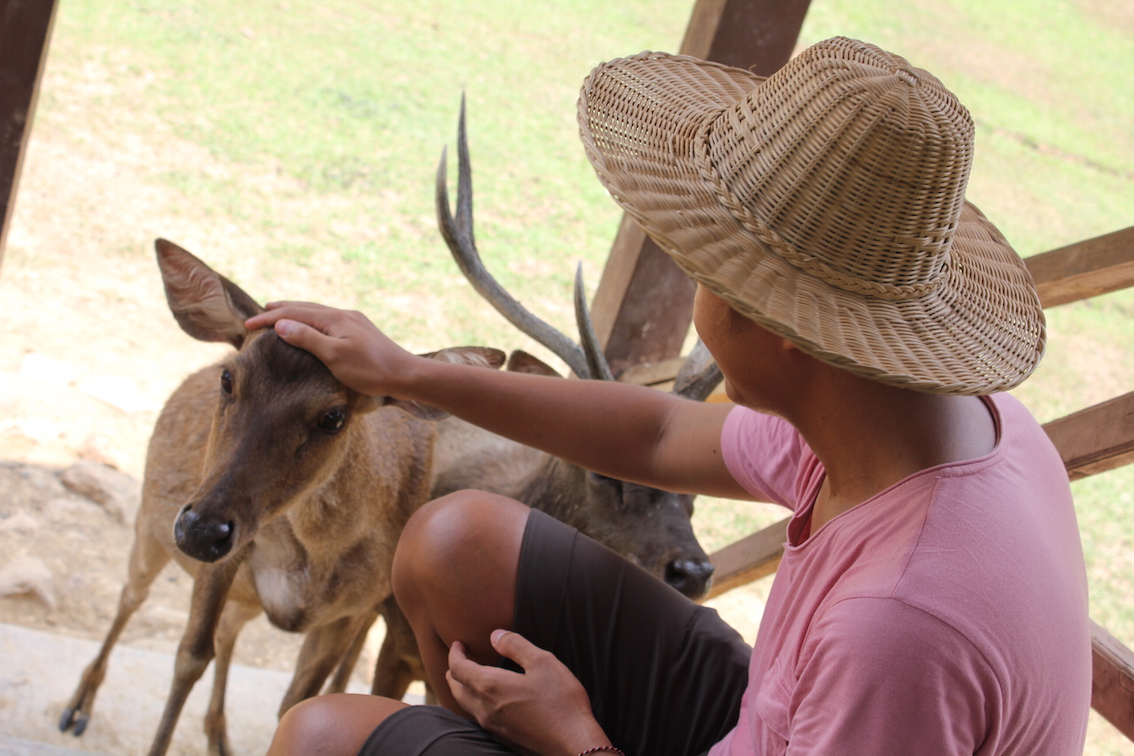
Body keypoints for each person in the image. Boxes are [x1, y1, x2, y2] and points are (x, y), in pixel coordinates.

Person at [249, 37, 1091, 756]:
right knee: (454, 537)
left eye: (706, 266)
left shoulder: (898, 629)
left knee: (317, 738)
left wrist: (577, 738)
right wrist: (407, 375)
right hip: (779, 717)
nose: (694, 286)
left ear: (784, 322)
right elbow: (656, 435)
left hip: (801, 713)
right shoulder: (920, 418)